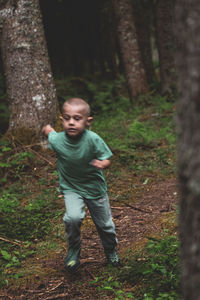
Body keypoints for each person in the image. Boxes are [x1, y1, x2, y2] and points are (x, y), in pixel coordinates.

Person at [42, 98, 120, 272]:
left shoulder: (93, 139)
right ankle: (73, 250)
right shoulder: (58, 140)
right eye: (67, 118)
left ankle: (110, 249)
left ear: (88, 121)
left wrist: (102, 164)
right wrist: (47, 129)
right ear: (62, 119)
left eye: (77, 119)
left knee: (105, 225)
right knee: (73, 218)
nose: (71, 122)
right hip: (71, 188)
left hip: (95, 189)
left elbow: (107, 158)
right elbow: (50, 133)